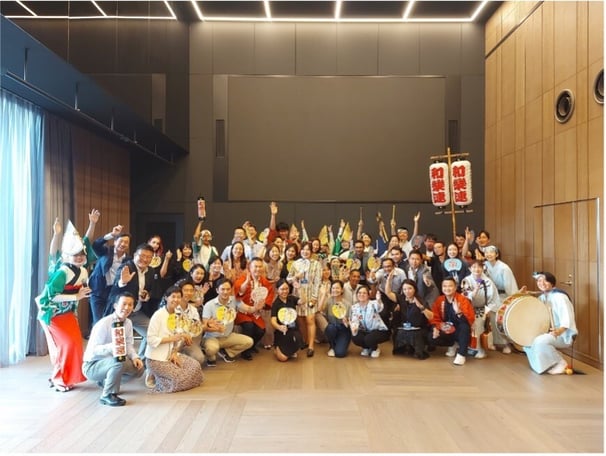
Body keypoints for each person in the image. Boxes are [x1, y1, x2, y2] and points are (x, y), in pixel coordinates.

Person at [36, 220, 91, 392]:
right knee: (63, 346)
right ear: (67, 256)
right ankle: (59, 378)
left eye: (82, 253)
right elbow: (49, 296)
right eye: (75, 254)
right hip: (51, 314)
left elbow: (79, 293)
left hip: (67, 313)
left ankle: (68, 377)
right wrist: (56, 234)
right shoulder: (61, 272)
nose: (80, 256)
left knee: (75, 344)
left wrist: (80, 294)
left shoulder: (83, 271)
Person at [82, 292, 144, 406]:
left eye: (130, 305)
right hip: (92, 365)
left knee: (139, 368)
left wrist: (135, 357)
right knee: (118, 362)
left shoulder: (128, 323)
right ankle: (107, 395)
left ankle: (106, 382)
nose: (127, 307)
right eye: (124, 304)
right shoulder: (104, 323)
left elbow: (129, 344)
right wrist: (112, 347)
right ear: (115, 305)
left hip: (114, 360)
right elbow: (92, 351)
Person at [145, 287, 204, 393]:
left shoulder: (179, 315)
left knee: (196, 367)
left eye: (178, 297)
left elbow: (180, 336)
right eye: (173, 296)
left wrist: (174, 352)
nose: (176, 300)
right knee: (180, 379)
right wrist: (171, 339)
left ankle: (162, 377)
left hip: (172, 355)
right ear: (166, 298)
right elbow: (150, 339)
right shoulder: (158, 315)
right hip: (157, 359)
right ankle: (157, 377)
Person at [106, 244, 155, 358]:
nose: (145, 259)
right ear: (134, 255)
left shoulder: (151, 271)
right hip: (122, 312)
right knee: (118, 342)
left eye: (149, 257)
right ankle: (117, 365)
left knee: (152, 335)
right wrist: (122, 282)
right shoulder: (126, 267)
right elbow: (115, 288)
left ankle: (142, 360)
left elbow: (150, 289)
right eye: (142, 255)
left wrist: (147, 295)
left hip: (137, 311)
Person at [524, 272, 578, 375]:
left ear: (552, 283)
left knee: (540, 341)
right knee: (528, 341)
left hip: (563, 334)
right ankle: (548, 364)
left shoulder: (560, 297)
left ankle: (560, 363)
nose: (542, 283)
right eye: (539, 281)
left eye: (545, 280)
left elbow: (567, 318)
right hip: (549, 332)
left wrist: (559, 331)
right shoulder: (543, 297)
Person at [202, 280, 254, 366]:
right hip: (212, 337)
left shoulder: (234, 300)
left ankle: (226, 352)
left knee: (249, 342)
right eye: (222, 289)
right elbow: (205, 325)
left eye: (228, 289)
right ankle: (210, 357)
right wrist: (215, 328)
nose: (225, 292)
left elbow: (248, 309)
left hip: (228, 336)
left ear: (231, 290)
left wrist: (257, 307)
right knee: (212, 349)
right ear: (217, 290)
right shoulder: (209, 305)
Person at [233, 258, 275, 360]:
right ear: (250, 268)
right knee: (249, 326)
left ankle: (251, 346)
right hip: (243, 311)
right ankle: (245, 351)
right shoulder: (243, 278)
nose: (258, 269)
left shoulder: (264, 281)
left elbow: (269, 294)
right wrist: (246, 282)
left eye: (260, 266)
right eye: (255, 266)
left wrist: (263, 304)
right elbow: (238, 292)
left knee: (261, 330)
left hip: (255, 313)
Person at [88, 225, 131, 326]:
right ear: (115, 242)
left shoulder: (128, 260)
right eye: (121, 241)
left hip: (114, 292)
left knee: (111, 321)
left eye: (126, 242)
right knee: (98, 322)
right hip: (98, 291)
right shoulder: (106, 252)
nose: (123, 244)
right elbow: (95, 245)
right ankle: (97, 341)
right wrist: (111, 235)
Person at [286, 241, 322, 357]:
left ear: (311, 251)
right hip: (298, 295)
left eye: (308, 249)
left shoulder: (316, 264)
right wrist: (296, 277)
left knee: (310, 319)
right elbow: (288, 279)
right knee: (301, 320)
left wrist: (315, 297)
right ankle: (305, 341)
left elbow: (317, 282)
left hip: (311, 295)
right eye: (303, 249)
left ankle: (311, 346)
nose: (305, 251)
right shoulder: (295, 263)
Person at [460, 260, 501, 360]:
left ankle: (479, 349)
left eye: (479, 267)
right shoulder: (466, 280)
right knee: (466, 328)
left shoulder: (488, 281)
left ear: (483, 268)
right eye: (474, 267)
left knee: (479, 328)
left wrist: (488, 310)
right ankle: (468, 347)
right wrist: (475, 290)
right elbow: (465, 296)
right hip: (468, 308)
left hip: (483, 308)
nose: (476, 269)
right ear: (470, 269)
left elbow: (494, 298)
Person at [430, 277, 475, 366]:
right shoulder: (440, 300)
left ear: (455, 287)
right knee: (430, 336)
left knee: (464, 327)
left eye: (450, 286)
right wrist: (435, 327)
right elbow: (435, 317)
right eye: (445, 286)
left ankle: (461, 354)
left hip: (459, 330)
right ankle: (452, 344)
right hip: (446, 328)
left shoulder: (463, 300)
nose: (447, 288)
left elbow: (469, 319)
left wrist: (459, 312)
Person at [483, 245, 518, 354]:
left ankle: (507, 343)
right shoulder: (484, 266)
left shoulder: (504, 268)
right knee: (492, 320)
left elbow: (510, 286)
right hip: (490, 296)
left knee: (502, 320)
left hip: (503, 296)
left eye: (491, 252)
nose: (489, 254)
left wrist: (511, 300)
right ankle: (495, 342)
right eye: (486, 252)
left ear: (497, 254)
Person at [387, 279, 433, 360]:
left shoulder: (421, 300)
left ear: (414, 289)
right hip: (405, 327)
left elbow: (431, 316)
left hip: (419, 328)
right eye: (404, 289)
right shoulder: (401, 299)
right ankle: (405, 348)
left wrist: (421, 307)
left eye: (409, 288)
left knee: (415, 334)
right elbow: (388, 293)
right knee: (399, 332)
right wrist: (389, 279)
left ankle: (417, 350)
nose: (407, 291)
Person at [349, 285, 390, 358]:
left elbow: (379, 307)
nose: (361, 295)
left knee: (369, 338)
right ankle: (366, 348)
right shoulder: (354, 307)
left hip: (379, 330)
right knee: (355, 336)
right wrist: (354, 327)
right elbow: (355, 319)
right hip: (365, 331)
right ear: (357, 295)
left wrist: (378, 300)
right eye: (359, 293)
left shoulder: (373, 303)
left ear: (368, 295)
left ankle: (375, 349)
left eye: (364, 293)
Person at [270, 280, 304, 362]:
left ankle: (290, 350)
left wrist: (300, 289)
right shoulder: (276, 304)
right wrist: (279, 327)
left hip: (293, 329)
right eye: (282, 289)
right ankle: (277, 349)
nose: (285, 291)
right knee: (283, 358)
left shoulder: (291, 298)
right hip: (282, 332)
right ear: (277, 290)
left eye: (286, 289)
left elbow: (303, 301)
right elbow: (273, 320)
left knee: (297, 338)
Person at [318, 280, 351, 358]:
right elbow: (319, 310)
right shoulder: (329, 301)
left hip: (344, 329)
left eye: (337, 288)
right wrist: (324, 294)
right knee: (330, 328)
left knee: (340, 353)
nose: (335, 290)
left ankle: (340, 343)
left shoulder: (347, 304)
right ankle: (332, 345)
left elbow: (351, 321)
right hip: (333, 327)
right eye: (333, 288)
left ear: (342, 290)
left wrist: (347, 322)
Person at [176, 281, 206, 366]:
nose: (188, 293)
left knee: (199, 358)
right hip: (174, 340)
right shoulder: (173, 307)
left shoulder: (193, 309)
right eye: (185, 290)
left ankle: (182, 358)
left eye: (191, 290)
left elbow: (196, 326)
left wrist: (206, 325)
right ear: (180, 291)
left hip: (188, 341)